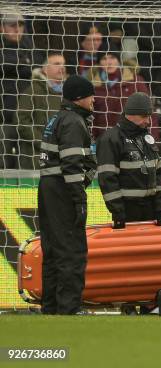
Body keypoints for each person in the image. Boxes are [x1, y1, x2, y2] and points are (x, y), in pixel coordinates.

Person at [38, 75, 97, 315]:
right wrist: (79, 198)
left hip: (47, 187)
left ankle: (51, 307)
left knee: (52, 250)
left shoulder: (56, 119)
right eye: (91, 95)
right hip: (63, 189)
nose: (94, 100)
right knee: (71, 250)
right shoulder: (73, 122)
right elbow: (72, 165)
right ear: (79, 98)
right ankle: (69, 308)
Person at [96, 92, 161, 230]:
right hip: (128, 211)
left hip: (151, 210)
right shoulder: (111, 139)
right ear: (130, 114)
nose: (148, 121)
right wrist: (118, 213)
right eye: (143, 116)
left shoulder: (147, 137)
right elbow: (107, 180)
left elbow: (160, 174)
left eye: (149, 116)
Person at [89, 45, 157, 140]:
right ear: (99, 62)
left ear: (118, 59)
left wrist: (152, 140)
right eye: (104, 58)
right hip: (105, 140)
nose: (109, 62)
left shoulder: (136, 81)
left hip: (134, 139)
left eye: (112, 57)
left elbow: (150, 114)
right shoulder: (94, 86)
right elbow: (92, 118)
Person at [15, 52, 66, 170]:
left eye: (63, 64)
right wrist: (44, 142)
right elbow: (21, 122)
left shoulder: (68, 94)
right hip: (35, 157)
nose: (62, 67)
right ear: (45, 69)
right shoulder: (32, 91)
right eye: (57, 64)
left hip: (62, 158)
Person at [0, 12, 39, 169]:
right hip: (3, 120)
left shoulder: (30, 47)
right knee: (3, 165)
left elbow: (38, 65)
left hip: (27, 121)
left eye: (21, 25)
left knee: (27, 165)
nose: (17, 29)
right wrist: (22, 62)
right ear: (1, 27)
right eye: (12, 25)